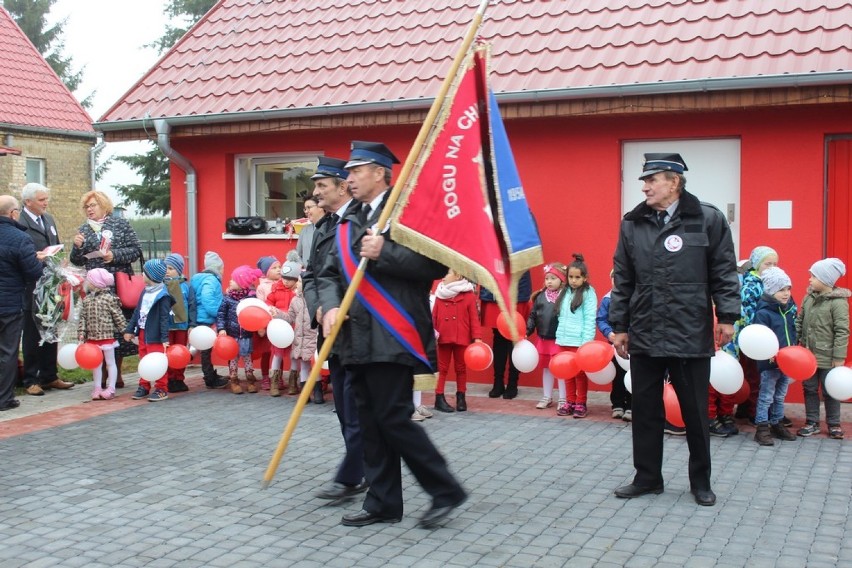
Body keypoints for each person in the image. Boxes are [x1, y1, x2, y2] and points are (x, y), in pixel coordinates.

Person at [317, 141, 467, 528]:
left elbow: (434, 263)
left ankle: (445, 489)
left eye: (356, 171)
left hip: (392, 331)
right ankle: (383, 503)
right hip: (356, 338)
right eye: (347, 172)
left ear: (380, 173)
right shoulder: (350, 218)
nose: (348, 178)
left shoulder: (405, 212)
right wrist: (331, 305)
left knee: (394, 418)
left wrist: (387, 252)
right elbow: (330, 272)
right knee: (370, 421)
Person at [610, 152, 740, 507]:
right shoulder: (632, 224)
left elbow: (724, 272)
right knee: (646, 411)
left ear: (674, 182)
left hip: (689, 332)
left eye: (652, 180)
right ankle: (647, 478)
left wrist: (727, 316)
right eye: (644, 180)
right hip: (646, 332)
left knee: (696, 412)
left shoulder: (708, 219)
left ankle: (701, 482)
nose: (645, 186)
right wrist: (620, 325)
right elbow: (623, 279)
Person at [303, 156, 369, 501]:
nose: (316, 193)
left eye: (321, 186)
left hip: (357, 327)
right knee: (343, 404)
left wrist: (338, 307)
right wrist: (318, 305)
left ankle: (352, 474)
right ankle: (362, 467)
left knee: (355, 403)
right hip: (329, 328)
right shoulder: (324, 227)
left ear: (342, 187)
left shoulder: (362, 220)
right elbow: (313, 274)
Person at [70, 190, 143, 388]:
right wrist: (77, 247)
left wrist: (114, 255)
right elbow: (75, 260)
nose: (89, 209)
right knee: (97, 330)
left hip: (117, 284)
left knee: (117, 330)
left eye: (93, 205)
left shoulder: (120, 224)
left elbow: (136, 250)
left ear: (104, 206)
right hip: (95, 287)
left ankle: (116, 374)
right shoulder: (84, 229)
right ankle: (100, 373)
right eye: (86, 206)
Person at [19, 183, 74, 396]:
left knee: (51, 329)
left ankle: (49, 376)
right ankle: (31, 379)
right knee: (33, 334)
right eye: (41, 200)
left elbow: (57, 245)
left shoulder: (48, 219)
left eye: (46, 199)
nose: (45, 203)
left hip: (52, 285)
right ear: (28, 202)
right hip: (31, 287)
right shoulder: (20, 223)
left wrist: (61, 262)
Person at [796, 258, 850, 439]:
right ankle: (812, 422)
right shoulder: (808, 298)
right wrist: (795, 343)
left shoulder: (838, 302)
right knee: (809, 388)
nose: (810, 279)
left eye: (814, 276)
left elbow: (842, 331)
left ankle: (834, 424)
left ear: (826, 280)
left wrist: (839, 357)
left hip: (828, 356)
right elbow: (799, 321)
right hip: (808, 355)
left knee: (830, 390)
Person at [727, 246, 780, 425]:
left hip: (766, 337)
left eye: (775, 264)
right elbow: (746, 311)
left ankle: (748, 407)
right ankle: (750, 408)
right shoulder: (752, 283)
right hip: (752, 338)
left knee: (758, 374)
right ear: (757, 264)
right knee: (752, 374)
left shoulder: (773, 281)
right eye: (767, 263)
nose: (771, 267)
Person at [0, 195, 43, 411]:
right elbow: (33, 272)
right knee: (8, 351)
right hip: (9, 304)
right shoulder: (20, 238)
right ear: (12, 213)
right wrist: (38, 259)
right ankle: (4, 398)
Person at [751, 267, 798, 445]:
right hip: (769, 362)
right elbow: (759, 338)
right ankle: (761, 427)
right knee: (766, 395)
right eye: (781, 290)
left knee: (780, 395)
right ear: (771, 291)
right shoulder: (763, 313)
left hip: (787, 362)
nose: (786, 293)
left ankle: (777, 423)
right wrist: (769, 354)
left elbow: (792, 332)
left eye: (788, 289)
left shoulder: (788, 310)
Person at [123, 259, 174, 402]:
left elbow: (164, 318)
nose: (141, 275)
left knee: (157, 362)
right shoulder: (144, 292)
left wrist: (164, 338)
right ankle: (144, 385)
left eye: (144, 273)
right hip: (143, 333)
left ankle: (161, 388)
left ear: (152, 276)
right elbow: (137, 312)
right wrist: (129, 329)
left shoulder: (163, 296)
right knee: (143, 360)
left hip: (156, 335)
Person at [432, 268, 481, 413]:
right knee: (442, 368)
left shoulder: (468, 295)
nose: (443, 277)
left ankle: (461, 396)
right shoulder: (440, 294)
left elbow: (474, 319)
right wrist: (432, 336)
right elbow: (434, 316)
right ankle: (439, 397)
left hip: (462, 336)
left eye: (447, 273)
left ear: (458, 276)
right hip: (444, 336)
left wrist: (477, 338)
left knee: (461, 368)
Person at [554, 253, 597, 418]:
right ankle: (569, 401)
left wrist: (586, 343)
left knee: (579, 374)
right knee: (567, 372)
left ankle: (581, 402)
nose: (573, 280)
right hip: (563, 340)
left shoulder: (588, 293)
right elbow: (560, 316)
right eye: (570, 277)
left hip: (579, 342)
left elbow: (590, 318)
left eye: (577, 277)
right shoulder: (564, 292)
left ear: (585, 278)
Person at [480, 271, 532, 399]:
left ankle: (512, 383)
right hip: (495, 288)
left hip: (517, 288)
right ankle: (498, 382)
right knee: (498, 337)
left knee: (515, 338)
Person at [77, 268, 127, 400]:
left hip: (107, 337)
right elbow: (83, 318)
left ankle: (111, 388)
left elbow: (118, 316)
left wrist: (125, 331)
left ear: (95, 282)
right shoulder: (87, 300)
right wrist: (82, 333)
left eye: (89, 280)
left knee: (110, 362)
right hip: (92, 339)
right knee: (96, 364)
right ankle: (97, 387)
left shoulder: (110, 299)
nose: (87, 282)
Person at [527, 262, 568, 410]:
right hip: (544, 339)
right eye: (547, 278)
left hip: (559, 340)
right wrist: (527, 331)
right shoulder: (540, 297)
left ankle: (563, 399)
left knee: (561, 369)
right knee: (547, 369)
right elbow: (532, 316)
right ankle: (547, 396)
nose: (549, 281)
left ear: (562, 280)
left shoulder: (566, 297)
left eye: (553, 278)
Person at [218, 265, 262, 394]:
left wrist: (259, 327)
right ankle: (234, 380)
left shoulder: (251, 299)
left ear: (242, 283)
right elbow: (221, 315)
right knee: (233, 358)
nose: (230, 281)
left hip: (246, 335)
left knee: (248, 357)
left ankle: (250, 381)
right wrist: (221, 328)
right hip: (232, 335)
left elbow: (257, 314)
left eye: (233, 279)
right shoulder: (227, 298)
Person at [188, 251, 228, 389]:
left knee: (204, 349)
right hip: (205, 318)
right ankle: (210, 378)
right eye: (222, 267)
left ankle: (210, 374)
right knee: (206, 350)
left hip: (196, 317)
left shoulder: (197, 278)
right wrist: (219, 313)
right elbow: (207, 298)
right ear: (217, 267)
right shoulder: (212, 280)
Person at [596, 269, 631, 421]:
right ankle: (617, 404)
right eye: (614, 278)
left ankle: (631, 406)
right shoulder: (607, 299)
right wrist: (609, 333)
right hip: (614, 345)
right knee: (617, 375)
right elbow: (601, 319)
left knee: (632, 375)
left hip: (632, 345)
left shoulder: (634, 297)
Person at [266, 252, 300, 395]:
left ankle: (293, 382)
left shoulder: (297, 292)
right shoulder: (275, 289)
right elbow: (268, 302)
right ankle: (274, 383)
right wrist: (270, 310)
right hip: (279, 328)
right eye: (284, 278)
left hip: (293, 327)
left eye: (290, 279)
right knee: (277, 354)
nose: (286, 281)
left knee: (294, 356)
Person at [163, 253, 190, 393]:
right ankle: (169, 378)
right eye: (165, 267)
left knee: (180, 351)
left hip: (181, 325)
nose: (167, 271)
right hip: (167, 325)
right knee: (167, 352)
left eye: (171, 268)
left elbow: (190, 305)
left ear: (179, 270)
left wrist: (191, 324)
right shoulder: (161, 286)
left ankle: (179, 378)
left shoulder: (185, 286)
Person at [255, 255, 280, 392]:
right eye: (274, 268)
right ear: (266, 271)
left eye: (279, 267)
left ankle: (278, 376)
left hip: (280, 323)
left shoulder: (283, 284)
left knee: (280, 351)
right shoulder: (262, 287)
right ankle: (265, 377)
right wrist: (261, 325)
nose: (278, 270)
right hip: (267, 323)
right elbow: (261, 306)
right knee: (266, 352)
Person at [295, 197, 323, 267]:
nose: (306, 211)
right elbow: (297, 255)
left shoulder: (331, 228)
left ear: (320, 207)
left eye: (309, 207)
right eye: (305, 209)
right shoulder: (305, 230)